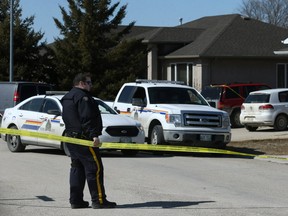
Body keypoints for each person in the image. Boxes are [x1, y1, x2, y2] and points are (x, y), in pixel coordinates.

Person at [61, 73, 116, 209]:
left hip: (71, 138)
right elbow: (87, 118)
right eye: (89, 82)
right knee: (94, 169)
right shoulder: (83, 97)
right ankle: (99, 200)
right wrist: (93, 135)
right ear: (81, 83)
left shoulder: (68, 97)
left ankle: (76, 201)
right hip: (84, 139)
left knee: (77, 168)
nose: (91, 85)